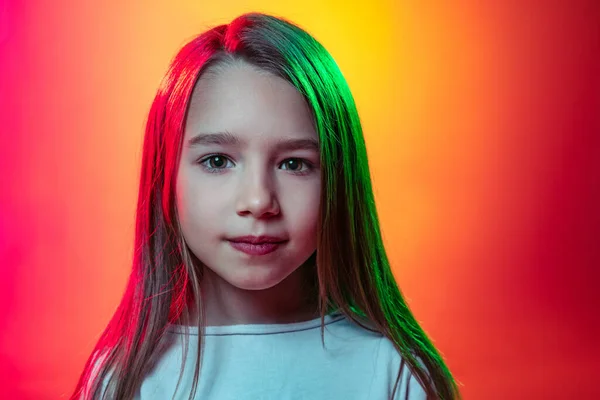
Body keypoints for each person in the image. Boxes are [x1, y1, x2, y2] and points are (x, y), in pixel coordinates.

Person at [71, 12, 460, 400]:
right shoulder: (124, 380)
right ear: (166, 178)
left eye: (294, 164)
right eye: (218, 161)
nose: (258, 201)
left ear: (340, 183)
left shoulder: (394, 372)